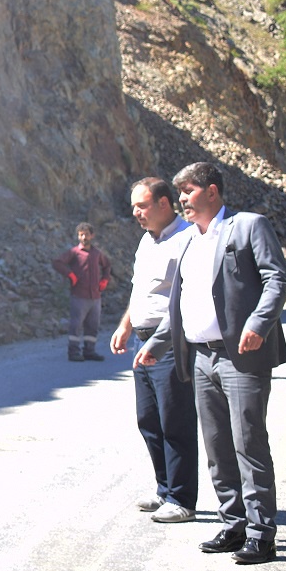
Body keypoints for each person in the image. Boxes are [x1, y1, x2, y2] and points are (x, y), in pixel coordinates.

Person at [136, 162, 286, 564]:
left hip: (241, 357)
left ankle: (261, 534)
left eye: (187, 191)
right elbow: (179, 305)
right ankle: (233, 523)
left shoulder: (247, 226)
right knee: (218, 446)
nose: (182, 200)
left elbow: (277, 278)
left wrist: (259, 323)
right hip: (201, 357)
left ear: (212, 191)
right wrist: (157, 342)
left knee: (248, 443)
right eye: (180, 193)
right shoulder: (189, 241)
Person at [109, 177, 198, 523]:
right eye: (134, 206)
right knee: (149, 419)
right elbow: (139, 290)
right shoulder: (147, 242)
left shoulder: (186, 239)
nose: (135, 213)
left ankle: (182, 498)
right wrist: (125, 325)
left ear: (164, 204)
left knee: (175, 420)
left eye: (142, 205)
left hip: (171, 343)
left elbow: (187, 296)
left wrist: (159, 342)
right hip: (141, 340)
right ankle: (164, 490)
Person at [52, 222, 112, 361]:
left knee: (93, 325)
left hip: (95, 296)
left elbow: (107, 265)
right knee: (76, 325)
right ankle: (73, 352)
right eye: (81, 234)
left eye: (86, 234)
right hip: (79, 295)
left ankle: (89, 351)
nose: (83, 237)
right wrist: (70, 275)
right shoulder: (74, 252)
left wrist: (105, 280)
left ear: (92, 235)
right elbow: (57, 262)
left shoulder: (97, 253)